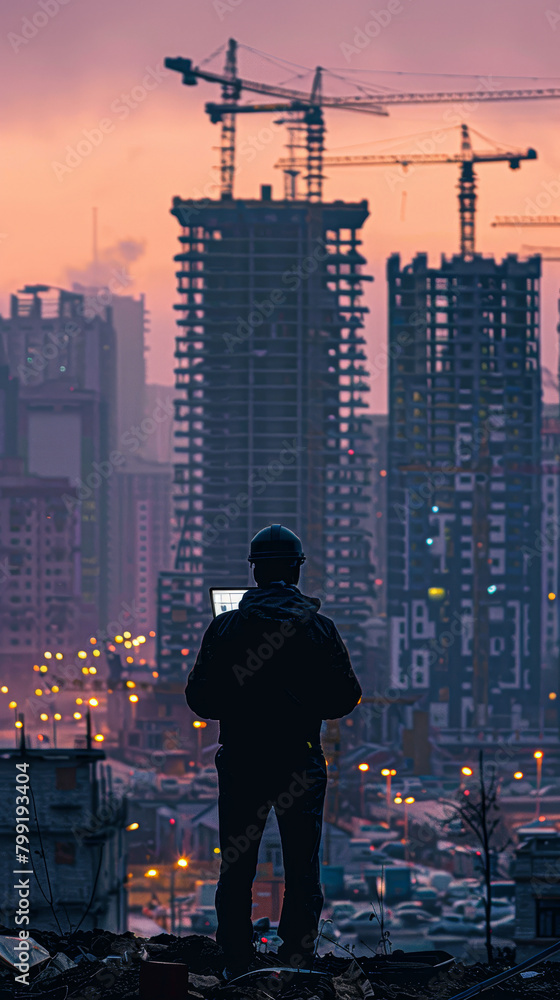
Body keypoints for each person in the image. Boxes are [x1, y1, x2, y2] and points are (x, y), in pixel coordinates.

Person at [185, 524, 362, 980]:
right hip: (299, 760)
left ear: (254, 572)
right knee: (302, 864)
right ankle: (297, 960)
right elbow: (345, 697)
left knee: (237, 862)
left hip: (243, 759)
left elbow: (200, 699)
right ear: (297, 570)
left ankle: (236, 959)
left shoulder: (225, 628)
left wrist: (241, 699)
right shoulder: (319, 629)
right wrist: (302, 701)